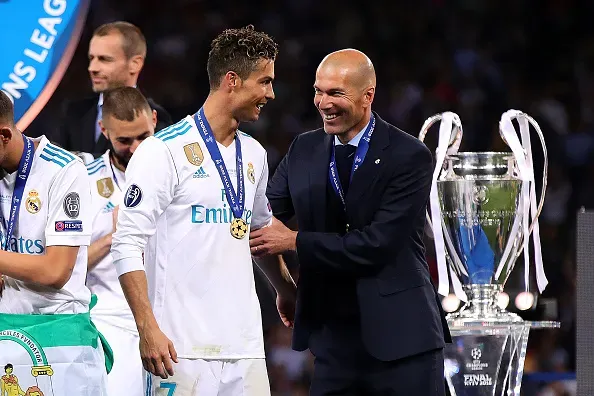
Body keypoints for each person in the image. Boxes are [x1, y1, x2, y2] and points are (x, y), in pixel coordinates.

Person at [249, 49, 451, 395]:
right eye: (318, 91)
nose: (322, 102)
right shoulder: (304, 149)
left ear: (367, 95)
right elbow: (263, 218)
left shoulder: (408, 155)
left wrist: (296, 241)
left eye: (335, 93)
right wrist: (283, 286)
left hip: (404, 344)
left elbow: (377, 244)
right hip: (333, 344)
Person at [110, 26, 296, 396]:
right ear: (232, 81)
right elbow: (126, 243)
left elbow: (256, 234)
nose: (271, 94)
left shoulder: (255, 155)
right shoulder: (162, 152)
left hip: (244, 349)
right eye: (265, 82)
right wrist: (147, 328)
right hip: (180, 349)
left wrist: (287, 290)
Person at [0, 90, 110, 394]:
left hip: (60, 339)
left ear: (4, 135)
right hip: (7, 335)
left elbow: (55, 271)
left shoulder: (63, 170)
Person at [86, 86, 158, 396]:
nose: (136, 148)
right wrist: (115, 238)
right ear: (104, 130)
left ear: (154, 119)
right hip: (109, 322)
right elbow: (64, 266)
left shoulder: (180, 173)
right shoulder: (82, 182)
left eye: (143, 136)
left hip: (169, 316)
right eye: (124, 141)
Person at [50, 21, 172, 158]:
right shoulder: (73, 112)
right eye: (91, 58)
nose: (92, 68)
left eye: (104, 59)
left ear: (135, 64)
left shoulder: (156, 118)